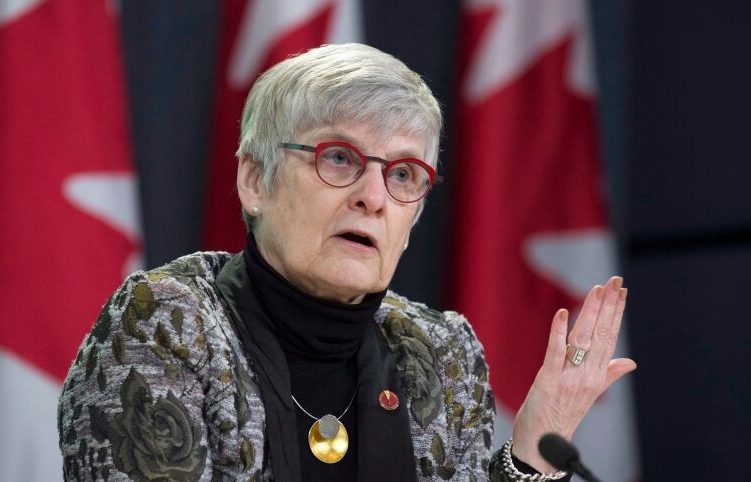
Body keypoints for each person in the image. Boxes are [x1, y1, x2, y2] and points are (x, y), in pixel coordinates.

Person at [58, 43, 635, 481]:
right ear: (255, 180)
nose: (374, 196)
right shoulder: (165, 325)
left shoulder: (440, 353)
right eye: (340, 157)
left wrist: (533, 449)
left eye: (404, 173)